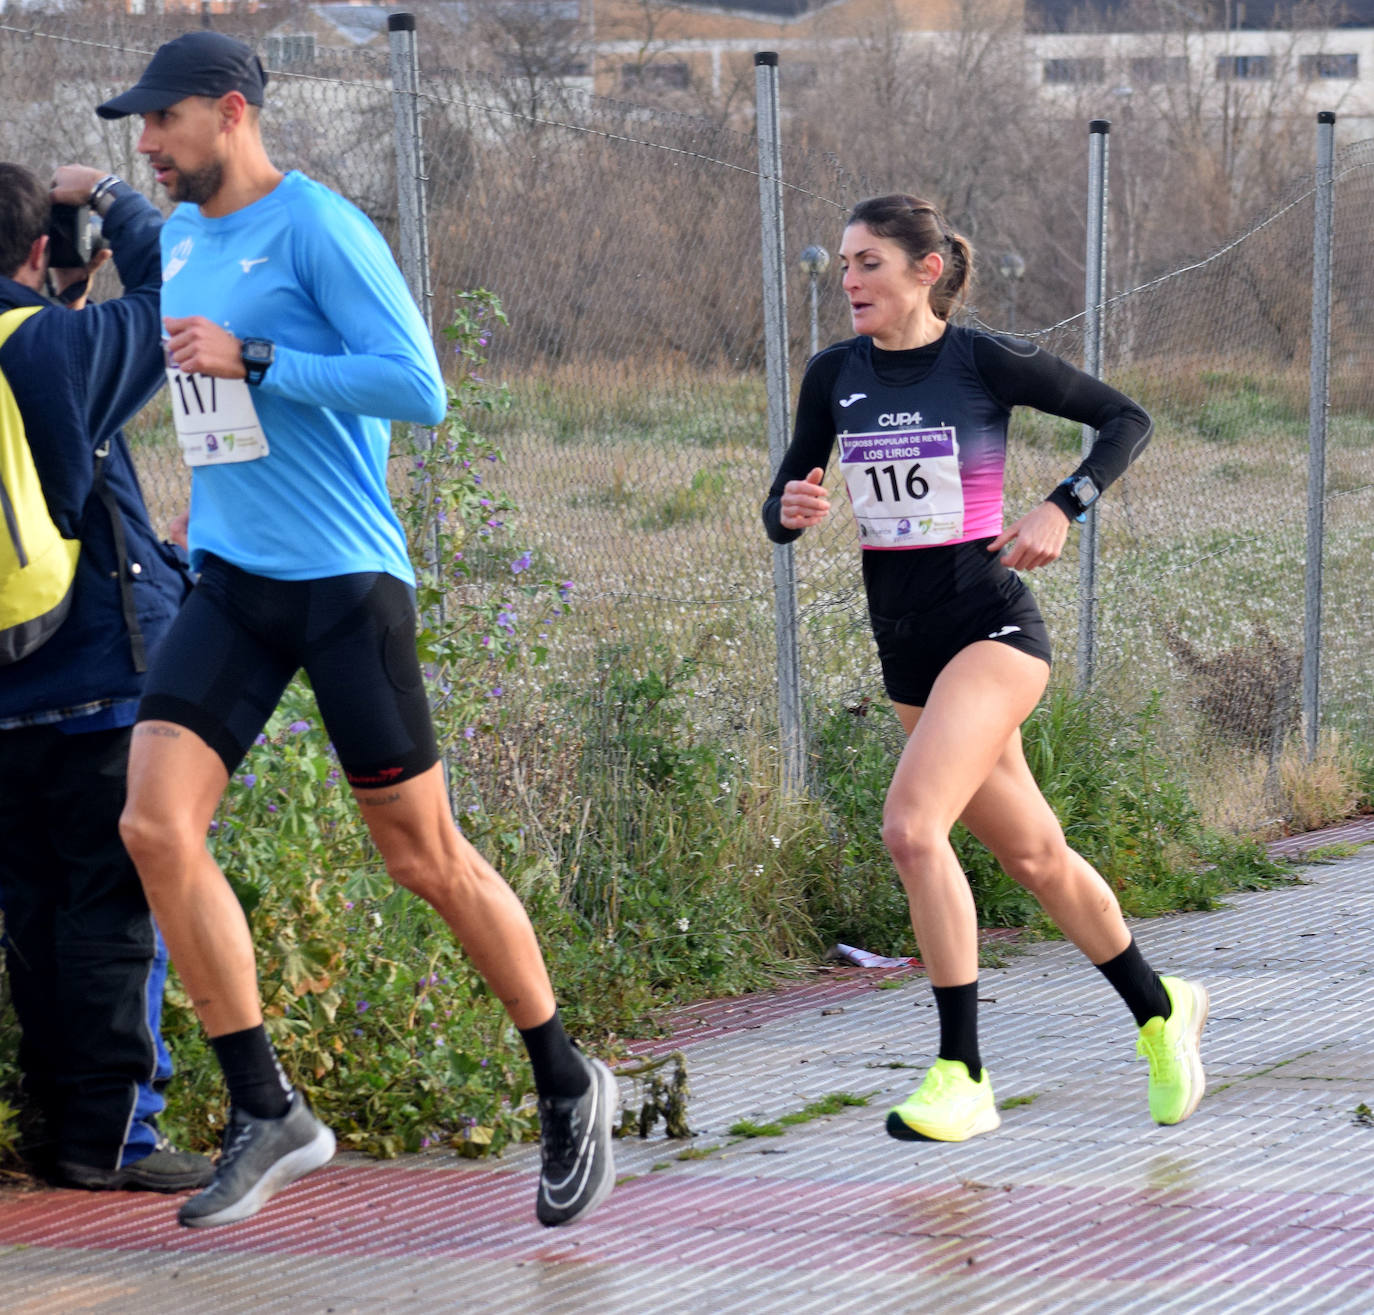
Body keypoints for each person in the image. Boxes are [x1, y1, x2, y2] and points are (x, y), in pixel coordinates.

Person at [95, 31, 617, 1230]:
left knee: (420, 854)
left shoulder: (324, 228)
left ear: (228, 113)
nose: (147, 141)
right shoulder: (177, 232)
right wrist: (102, 203)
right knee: (154, 824)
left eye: (161, 121)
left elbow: (416, 388)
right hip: (232, 576)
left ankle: (563, 1076)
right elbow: (169, 302)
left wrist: (258, 357)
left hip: (343, 581)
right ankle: (266, 1106)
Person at [762, 194, 1208, 1144]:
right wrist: (789, 508)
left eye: (869, 263)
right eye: (843, 265)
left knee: (912, 828)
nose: (848, 282)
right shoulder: (832, 375)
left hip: (993, 630)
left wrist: (1061, 507)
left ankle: (962, 1071)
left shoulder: (981, 359)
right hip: (909, 654)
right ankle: (1161, 1005)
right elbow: (786, 488)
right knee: (1036, 856)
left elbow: (1125, 419)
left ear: (927, 271)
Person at [0, 160, 212, 1192]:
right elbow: (184, 296)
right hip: (93, 677)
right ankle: (113, 1137)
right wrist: (120, 201)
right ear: (40, 250)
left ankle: (51, 1129)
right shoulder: (59, 344)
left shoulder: (54, 335)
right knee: (114, 909)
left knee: (30, 912)